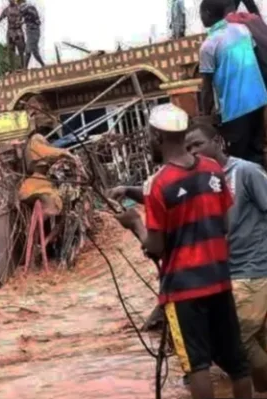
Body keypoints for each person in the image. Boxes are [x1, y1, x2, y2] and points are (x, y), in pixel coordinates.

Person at [113, 104, 253, 399]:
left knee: (196, 366)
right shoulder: (214, 170)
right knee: (238, 365)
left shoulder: (158, 184)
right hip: (219, 280)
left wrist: (134, 222)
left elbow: (156, 247)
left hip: (184, 290)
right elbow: (224, 223)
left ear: (156, 137)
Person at [185, 120, 267, 392]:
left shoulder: (246, 171)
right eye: (188, 148)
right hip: (224, 273)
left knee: (235, 340)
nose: (194, 152)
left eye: (198, 144)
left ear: (217, 142)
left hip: (254, 268)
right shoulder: (203, 181)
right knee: (258, 338)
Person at [199, 0, 267, 165]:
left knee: (239, 160)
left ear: (207, 14)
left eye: (200, 13)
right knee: (257, 152)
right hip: (258, 102)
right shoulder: (243, 29)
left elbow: (206, 88)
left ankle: (249, 189)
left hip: (235, 109)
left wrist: (204, 115)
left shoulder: (208, 45)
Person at [17, 0, 45, 68]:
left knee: (28, 50)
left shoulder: (24, 8)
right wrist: (22, 22)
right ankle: (43, 65)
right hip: (32, 30)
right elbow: (30, 17)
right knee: (34, 52)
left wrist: (19, 22)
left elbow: (21, 15)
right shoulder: (30, 7)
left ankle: (25, 68)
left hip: (33, 30)